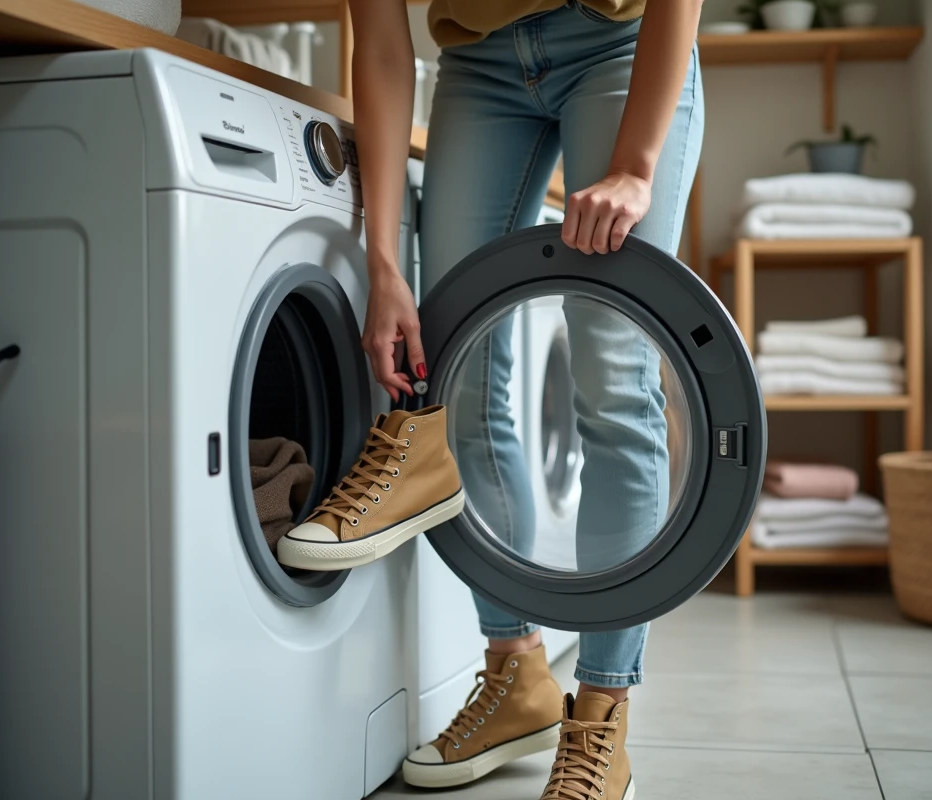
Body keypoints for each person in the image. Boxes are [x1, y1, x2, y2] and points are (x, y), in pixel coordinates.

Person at [347, 1, 704, 797]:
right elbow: (375, 43)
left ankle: (601, 718)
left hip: (618, 37)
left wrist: (635, 168)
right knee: (459, 375)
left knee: (615, 384)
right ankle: (516, 679)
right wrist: (381, 259)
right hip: (478, 61)